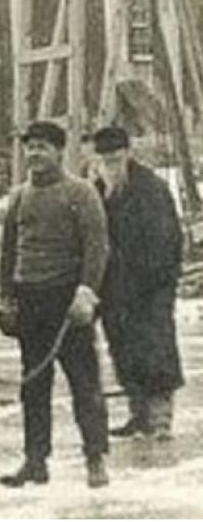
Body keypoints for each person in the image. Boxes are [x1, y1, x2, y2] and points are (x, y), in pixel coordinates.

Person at [0, 120, 110, 489]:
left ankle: (95, 458)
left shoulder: (80, 193)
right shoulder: (18, 197)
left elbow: (97, 247)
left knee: (84, 382)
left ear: (60, 151)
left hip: (67, 301)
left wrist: (86, 292)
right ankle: (35, 461)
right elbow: (8, 252)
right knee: (33, 384)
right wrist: (6, 298)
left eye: (43, 147)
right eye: (30, 147)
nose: (34, 154)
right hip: (30, 301)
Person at [90, 126, 184, 440]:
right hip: (114, 291)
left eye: (115, 157)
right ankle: (138, 415)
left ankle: (159, 420)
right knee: (123, 351)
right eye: (105, 158)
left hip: (149, 290)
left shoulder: (151, 188)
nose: (110, 164)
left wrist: (156, 282)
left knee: (155, 351)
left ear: (128, 153)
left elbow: (166, 240)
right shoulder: (97, 191)